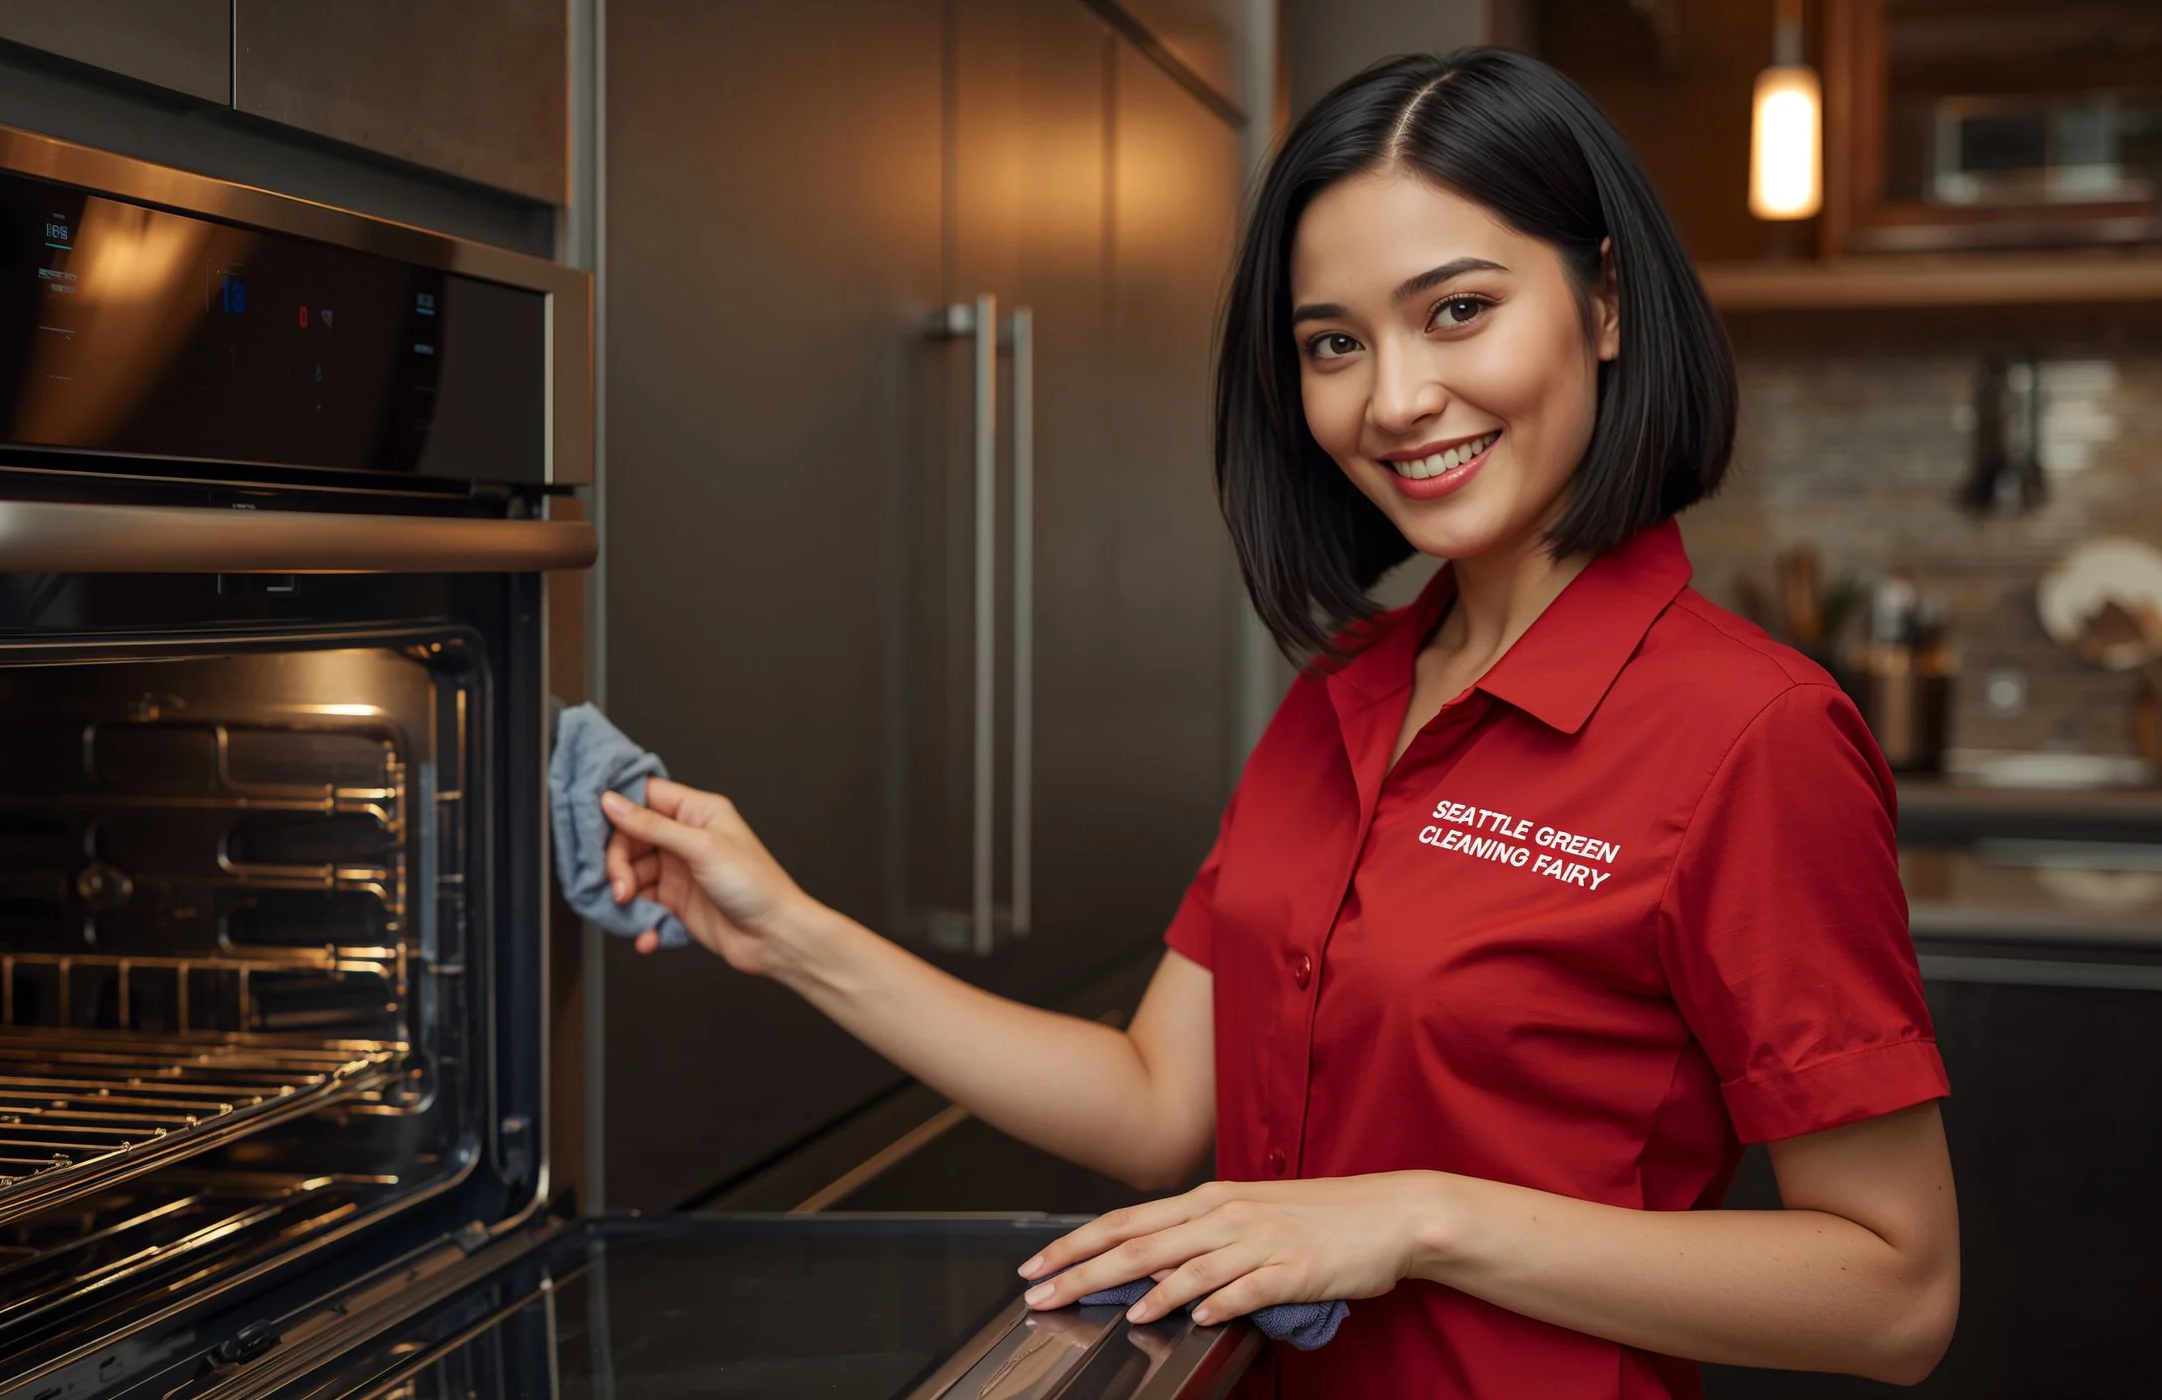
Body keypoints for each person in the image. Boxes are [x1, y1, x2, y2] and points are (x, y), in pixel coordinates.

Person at [598, 47, 1957, 1400]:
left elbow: (1896, 1295)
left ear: (1604, 301)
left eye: (1458, 310)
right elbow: (1154, 1102)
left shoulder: (1753, 732)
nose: (1395, 400)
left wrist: (1422, 1218)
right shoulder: (1345, 694)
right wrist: (786, 930)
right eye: (1334, 344)